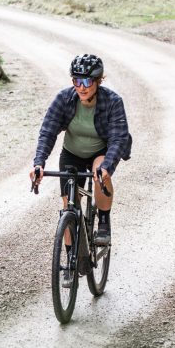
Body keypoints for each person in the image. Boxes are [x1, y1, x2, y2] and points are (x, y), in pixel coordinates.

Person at [30, 53, 132, 247]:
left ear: (98, 81)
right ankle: (69, 266)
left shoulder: (113, 101)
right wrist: (39, 163)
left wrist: (107, 166)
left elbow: (118, 138)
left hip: (101, 151)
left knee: (100, 174)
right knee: (69, 206)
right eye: (77, 81)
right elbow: (48, 132)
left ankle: (103, 222)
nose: (82, 87)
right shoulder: (63, 98)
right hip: (72, 153)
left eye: (86, 81)